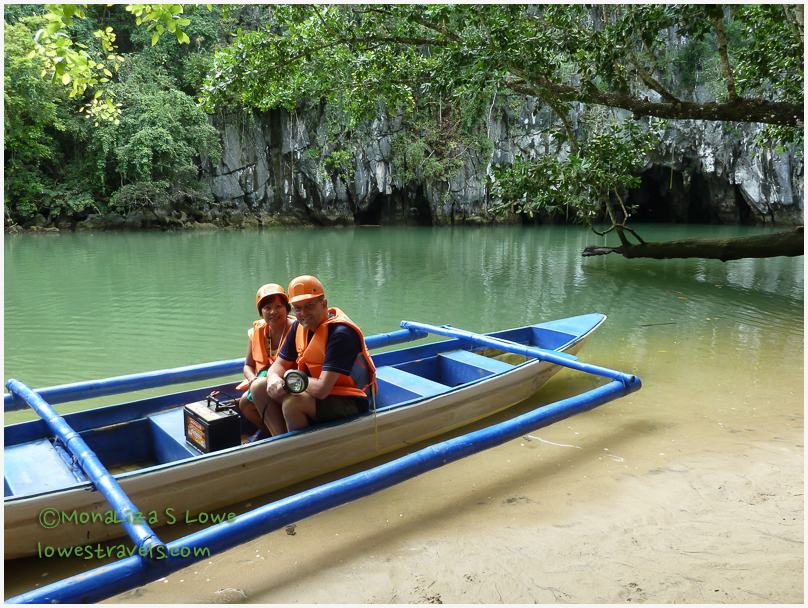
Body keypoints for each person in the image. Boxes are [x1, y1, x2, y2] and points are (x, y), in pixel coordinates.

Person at [261, 275, 376, 434]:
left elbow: (322, 389)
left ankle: (302, 451)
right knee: (260, 386)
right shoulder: (298, 326)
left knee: (293, 404)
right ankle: (279, 441)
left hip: (351, 399)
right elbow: (278, 365)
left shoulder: (341, 334)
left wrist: (291, 377)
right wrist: (273, 379)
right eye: (298, 308)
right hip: (318, 392)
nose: (303, 313)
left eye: (309, 306)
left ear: (324, 304)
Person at [237, 283, 295, 439]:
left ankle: (283, 439)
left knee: (261, 390)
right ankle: (272, 432)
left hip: (288, 384)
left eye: (278, 306)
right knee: (244, 403)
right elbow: (248, 365)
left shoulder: (297, 329)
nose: (273, 312)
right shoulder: (257, 331)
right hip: (262, 383)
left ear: (287, 308)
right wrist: (253, 380)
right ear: (261, 311)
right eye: (267, 308)